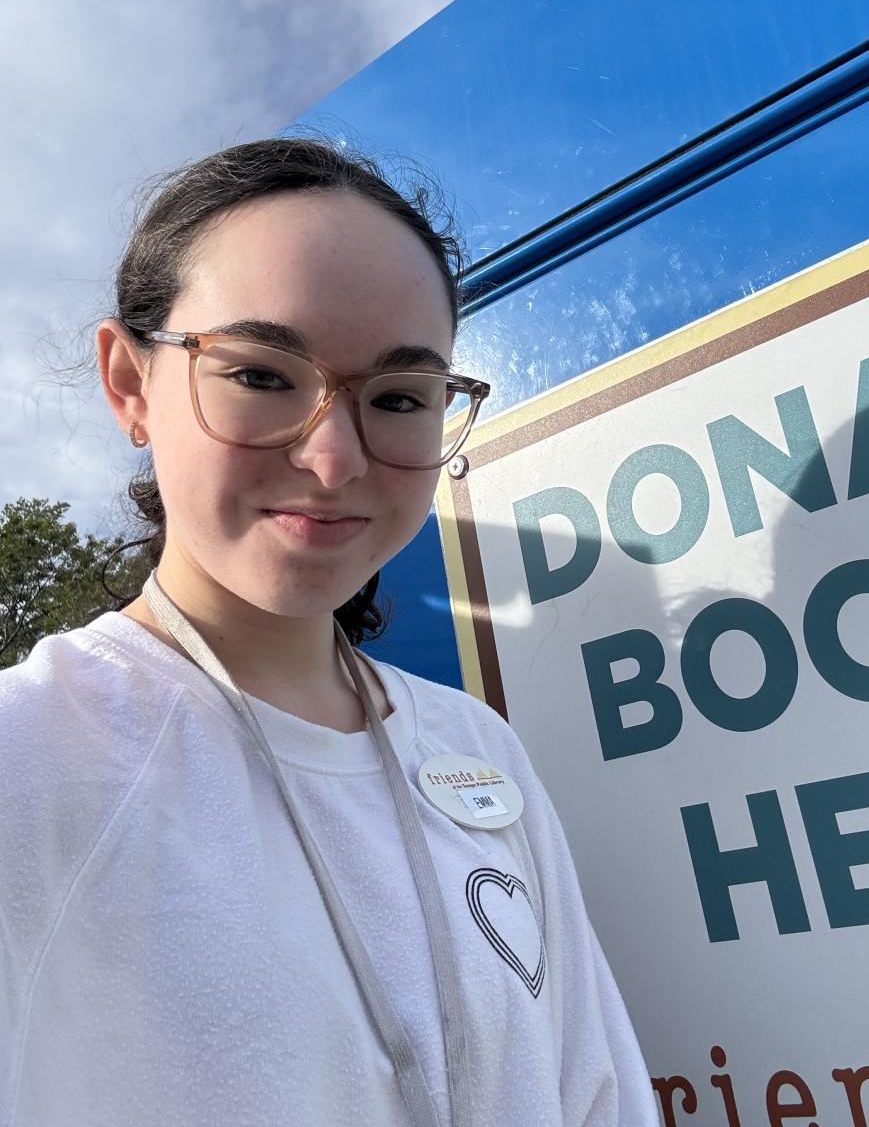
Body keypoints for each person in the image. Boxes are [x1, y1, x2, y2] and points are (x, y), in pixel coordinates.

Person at [0, 138, 657, 1126]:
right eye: (263, 376)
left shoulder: (476, 747)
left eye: (397, 398)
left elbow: (593, 1090)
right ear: (130, 382)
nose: (335, 457)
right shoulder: (32, 757)